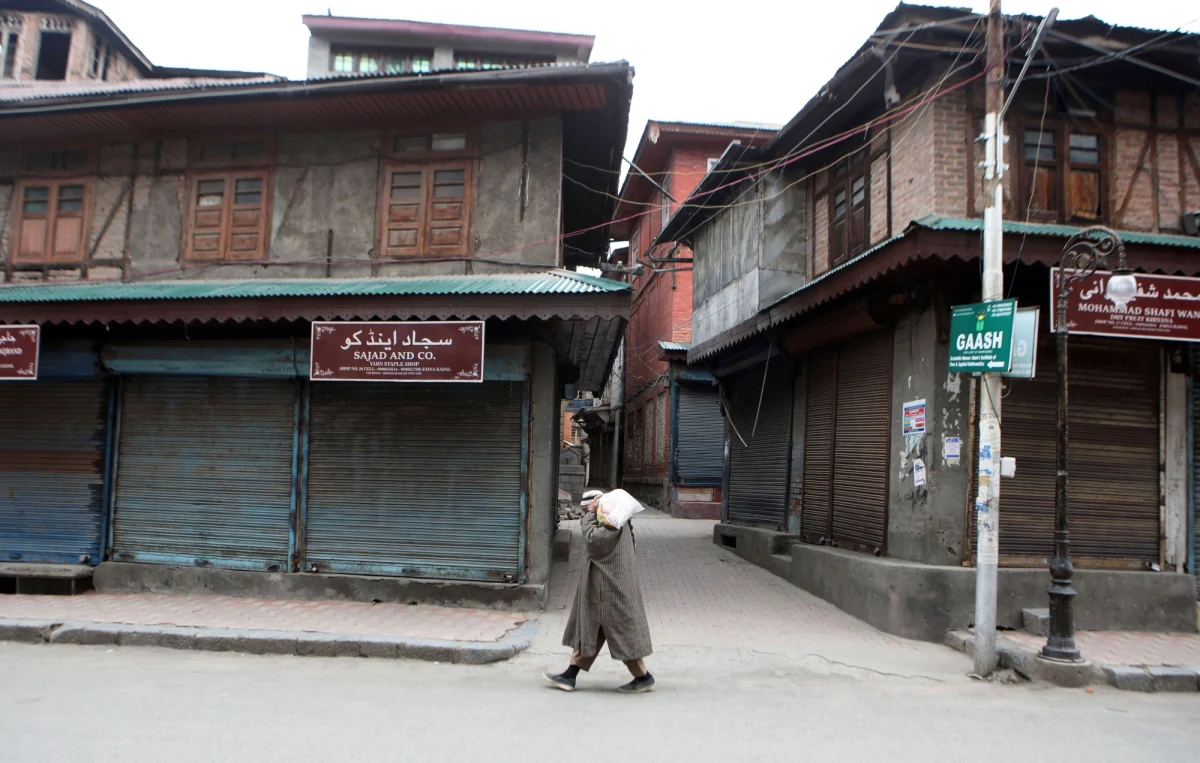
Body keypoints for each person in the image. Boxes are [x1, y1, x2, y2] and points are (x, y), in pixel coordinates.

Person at [544, 489, 655, 694]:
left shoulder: (610, 524)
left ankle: (643, 677)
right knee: (592, 631)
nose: (587, 512)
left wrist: (588, 516)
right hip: (605, 588)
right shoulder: (614, 521)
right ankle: (570, 675)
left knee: (621, 631)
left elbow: (594, 540)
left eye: (588, 509)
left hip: (610, 590)